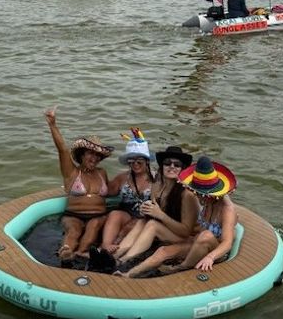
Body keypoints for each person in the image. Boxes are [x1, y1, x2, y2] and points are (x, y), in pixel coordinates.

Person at [112, 146, 200, 277]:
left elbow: (186, 231)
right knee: (143, 222)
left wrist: (160, 215)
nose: (172, 166)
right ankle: (116, 256)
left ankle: (124, 261)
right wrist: (146, 211)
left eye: (177, 164)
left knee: (153, 225)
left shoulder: (187, 195)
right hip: (167, 230)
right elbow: (154, 215)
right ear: (161, 166)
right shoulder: (157, 186)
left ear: (183, 169)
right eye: (167, 163)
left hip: (185, 238)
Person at [44, 106, 114, 265]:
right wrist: (53, 124)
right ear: (82, 154)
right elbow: (62, 150)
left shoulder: (102, 173)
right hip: (73, 214)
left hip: (98, 216)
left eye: (98, 155)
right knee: (73, 231)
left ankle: (80, 252)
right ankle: (66, 250)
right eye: (91, 153)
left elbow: (117, 186)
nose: (94, 158)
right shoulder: (72, 172)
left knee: (94, 226)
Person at [160, 155, 238, 274]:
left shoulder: (227, 210)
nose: (196, 195)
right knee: (165, 249)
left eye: (200, 193)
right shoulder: (208, 203)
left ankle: (180, 268)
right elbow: (199, 228)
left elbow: (227, 243)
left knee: (205, 235)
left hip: (217, 253)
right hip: (201, 244)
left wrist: (210, 257)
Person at [100, 129, 155, 253]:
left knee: (133, 225)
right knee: (115, 214)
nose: (135, 164)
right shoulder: (122, 178)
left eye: (139, 161)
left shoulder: (157, 179)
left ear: (147, 162)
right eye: (131, 162)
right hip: (126, 214)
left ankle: (116, 249)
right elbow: (105, 191)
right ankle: (106, 245)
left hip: (146, 218)